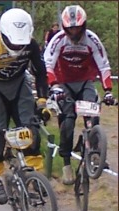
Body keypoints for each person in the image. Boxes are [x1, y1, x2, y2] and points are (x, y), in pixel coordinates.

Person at [0, 8, 50, 205]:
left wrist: (42, 102)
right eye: (12, 41)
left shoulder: (31, 45)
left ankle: (36, 174)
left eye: (20, 42)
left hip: (19, 84)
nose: (16, 46)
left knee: (31, 128)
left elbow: (41, 73)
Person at [43, 5, 115, 185]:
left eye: (77, 28)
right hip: (64, 84)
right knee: (67, 122)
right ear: (65, 27)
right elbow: (48, 64)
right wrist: (54, 86)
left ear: (84, 25)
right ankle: (66, 163)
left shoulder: (92, 40)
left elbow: (104, 66)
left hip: (85, 82)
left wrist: (108, 91)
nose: (74, 32)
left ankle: (96, 153)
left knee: (92, 113)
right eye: (70, 28)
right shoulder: (58, 39)